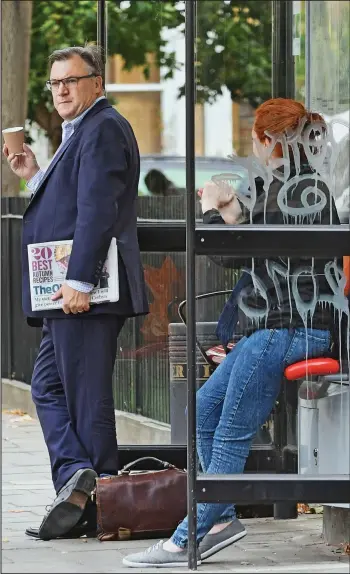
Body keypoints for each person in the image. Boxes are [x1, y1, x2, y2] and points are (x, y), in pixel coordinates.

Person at [122, 98, 343, 568]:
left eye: (255, 141)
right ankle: (218, 521)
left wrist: (212, 209)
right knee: (204, 410)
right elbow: (256, 251)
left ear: (268, 142)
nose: (254, 149)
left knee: (229, 431)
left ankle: (190, 536)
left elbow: (229, 253)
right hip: (283, 328)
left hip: (287, 331)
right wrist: (231, 210)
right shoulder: (303, 188)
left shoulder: (290, 189)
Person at [3, 45, 149, 541]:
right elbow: (73, 199)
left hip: (84, 293)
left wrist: (79, 281)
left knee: (87, 401)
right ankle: (76, 482)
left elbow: (97, 210)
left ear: (97, 84)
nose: (62, 89)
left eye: (72, 80)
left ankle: (103, 510)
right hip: (68, 294)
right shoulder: (83, 131)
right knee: (46, 387)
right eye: (55, 82)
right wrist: (35, 175)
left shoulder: (103, 127)